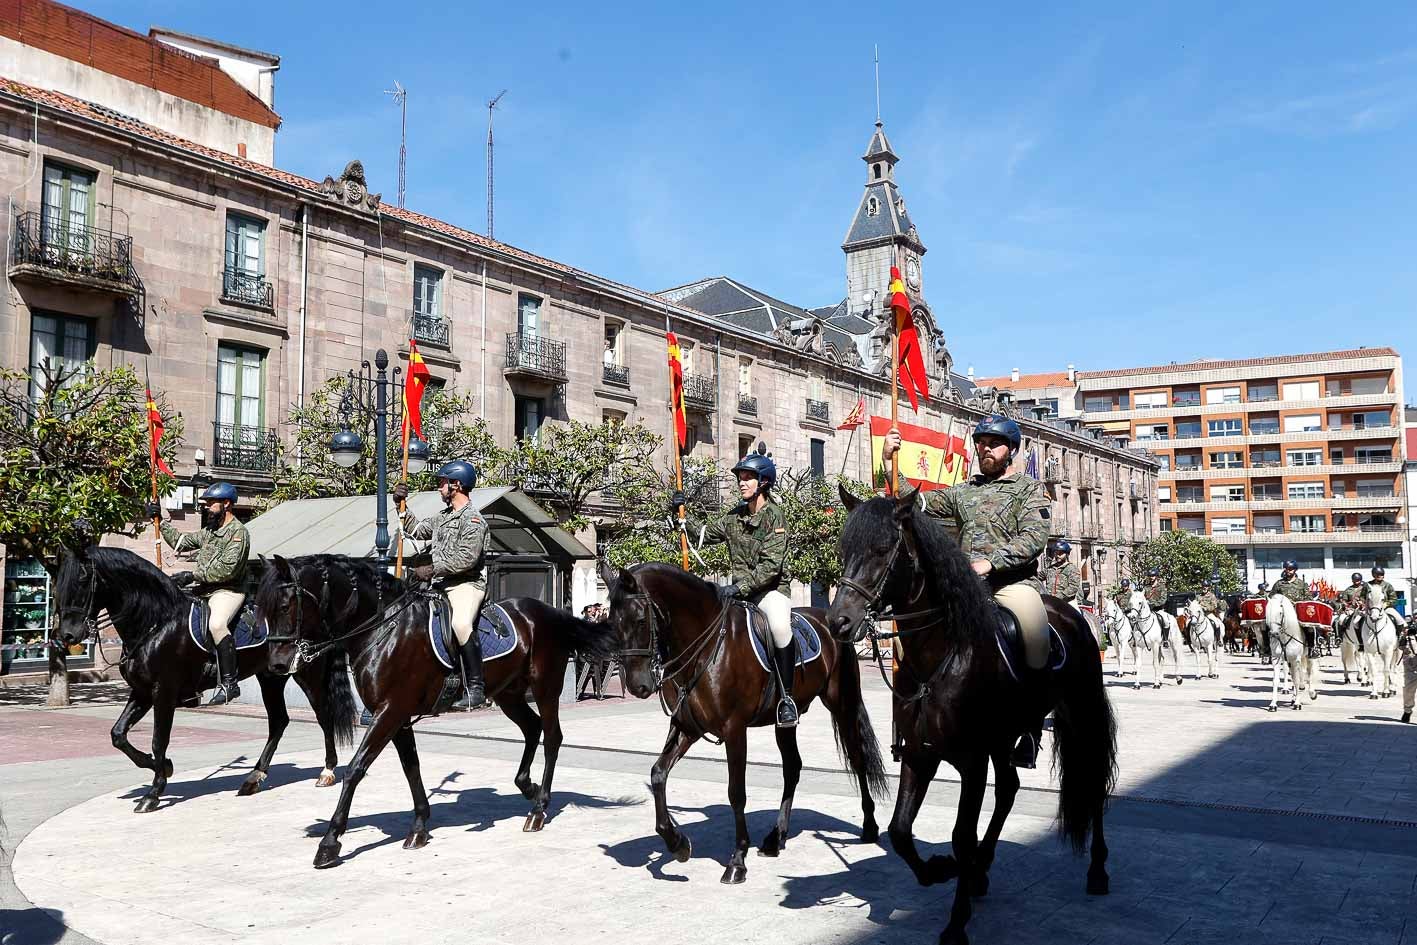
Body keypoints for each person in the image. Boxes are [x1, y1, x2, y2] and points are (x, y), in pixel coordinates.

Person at [883, 414, 1052, 768]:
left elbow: (1035, 538)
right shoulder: (964, 490)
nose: (985, 448)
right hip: (964, 587)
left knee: (1034, 635)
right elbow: (917, 503)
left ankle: (1029, 725)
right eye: (981, 442)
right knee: (908, 638)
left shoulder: (1028, 489)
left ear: (1012, 450)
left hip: (1011, 583)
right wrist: (889, 464)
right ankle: (912, 721)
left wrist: (992, 562)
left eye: (994, 443)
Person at [672, 451, 798, 727]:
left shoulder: (775, 517)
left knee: (779, 626)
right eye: (740, 478)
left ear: (763, 482)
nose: (742, 483)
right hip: (740, 593)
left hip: (770, 591)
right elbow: (704, 533)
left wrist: (737, 588)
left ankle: (786, 699)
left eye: (748, 478)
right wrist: (680, 512)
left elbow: (770, 567)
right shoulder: (734, 517)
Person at [392, 460, 490, 711]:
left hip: (466, 584)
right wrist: (400, 504)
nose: (439, 488)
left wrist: (433, 568)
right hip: (439, 583)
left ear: (456, 485)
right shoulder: (441, 517)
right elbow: (414, 530)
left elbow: (466, 559)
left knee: (460, 623)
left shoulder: (474, 520)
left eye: (442, 483)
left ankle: (476, 688)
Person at [147, 482, 249, 705]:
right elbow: (181, 542)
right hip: (203, 590)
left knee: (216, 624)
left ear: (226, 504)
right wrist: (160, 520)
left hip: (228, 590)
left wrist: (193, 576)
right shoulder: (209, 532)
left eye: (210, 503)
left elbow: (226, 569)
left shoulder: (239, 533)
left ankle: (230, 683)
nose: (206, 507)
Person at [1269, 560, 1318, 656]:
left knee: (1310, 627)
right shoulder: (1279, 584)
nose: (1288, 571)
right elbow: (1272, 597)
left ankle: (1312, 649)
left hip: (1298, 611)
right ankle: (1267, 649)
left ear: (1295, 570)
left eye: (1290, 569)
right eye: (1286, 569)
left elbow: (1309, 598)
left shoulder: (1302, 584)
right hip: (1282, 612)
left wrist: (1299, 603)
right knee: (1269, 625)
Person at [1366, 566, 1406, 636]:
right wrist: (1361, 602)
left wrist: (1386, 604)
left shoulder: (1388, 585)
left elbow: (1394, 599)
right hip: (1370, 608)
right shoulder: (1367, 585)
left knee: (1400, 620)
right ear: (1373, 575)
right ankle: (1360, 642)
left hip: (1385, 608)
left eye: (1382, 574)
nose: (1381, 576)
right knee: (1356, 622)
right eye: (1378, 575)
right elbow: (1362, 596)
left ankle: (1399, 636)